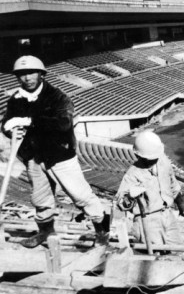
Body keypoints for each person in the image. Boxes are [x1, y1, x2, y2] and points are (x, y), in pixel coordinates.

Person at [1, 56, 109, 248]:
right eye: (22, 75)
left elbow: (63, 123)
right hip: (33, 156)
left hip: (59, 155)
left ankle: (102, 232)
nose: (27, 78)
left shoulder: (58, 97)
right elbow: (7, 122)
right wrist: (8, 127)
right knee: (40, 198)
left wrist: (29, 122)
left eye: (31, 73)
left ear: (41, 74)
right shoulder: (16, 99)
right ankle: (45, 231)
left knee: (81, 196)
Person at [115, 130, 184, 246]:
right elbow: (121, 203)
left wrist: (181, 204)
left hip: (167, 215)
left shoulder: (163, 162)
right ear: (138, 155)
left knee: (180, 252)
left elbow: (173, 185)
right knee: (158, 257)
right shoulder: (132, 174)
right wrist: (130, 197)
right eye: (147, 159)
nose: (151, 160)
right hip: (148, 220)